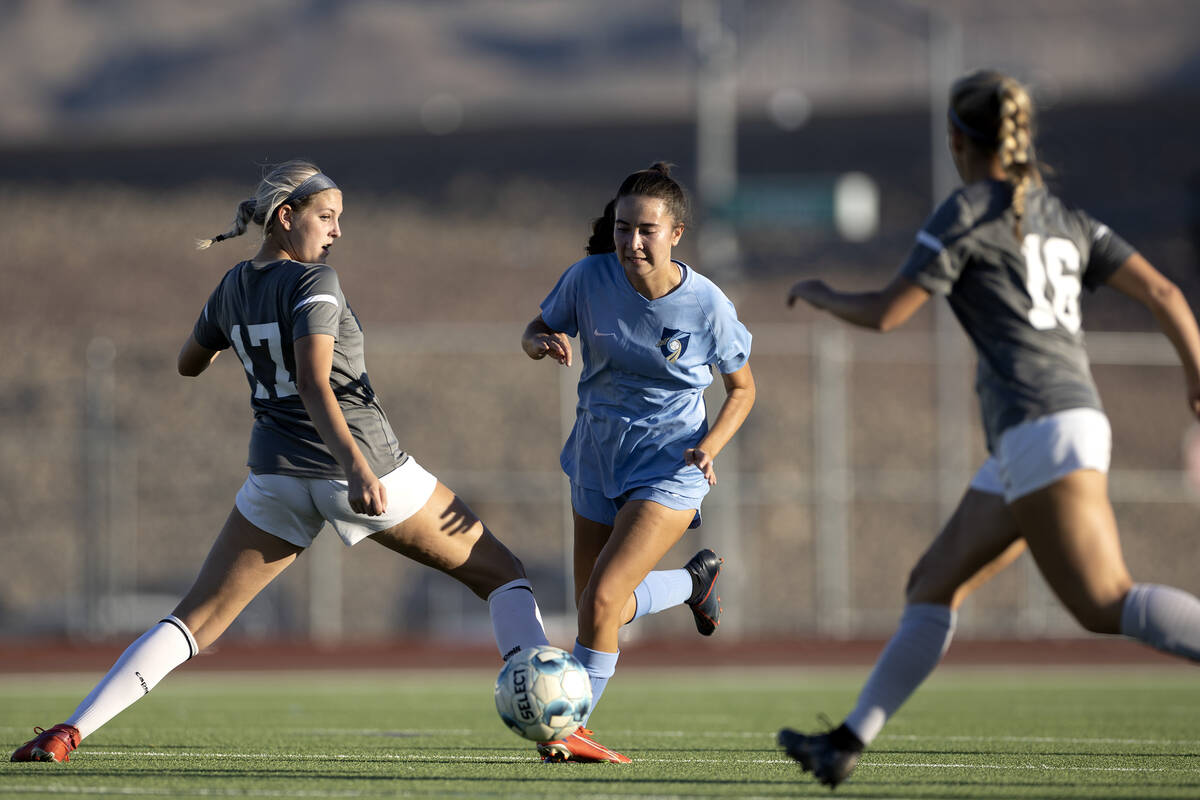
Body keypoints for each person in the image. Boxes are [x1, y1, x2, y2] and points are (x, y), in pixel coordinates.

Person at [11, 160, 551, 763]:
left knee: (194, 621)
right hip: (359, 464)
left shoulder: (233, 284)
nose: (337, 231)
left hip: (275, 476)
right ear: (284, 217)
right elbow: (314, 382)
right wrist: (355, 467)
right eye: (327, 216)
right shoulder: (315, 283)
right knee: (502, 572)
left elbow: (189, 362)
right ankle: (556, 727)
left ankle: (70, 731)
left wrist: (236, 338)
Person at [777, 69, 1200, 789]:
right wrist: (1196, 376)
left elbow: (886, 313)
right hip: (1047, 430)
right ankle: (845, 744)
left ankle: (847, 741)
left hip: (1041, 427)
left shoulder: (966, 211)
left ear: (955, 138)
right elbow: (1163, 290)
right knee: (932, 582)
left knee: (1105, 602)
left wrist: (821, 292)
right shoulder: (1062, 215)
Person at [521, 162, 756, 763]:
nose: (632, 242)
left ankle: (569, 726)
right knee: (597, 607)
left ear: (676, 233)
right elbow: (535, 327)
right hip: (596, 456)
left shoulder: (707, 305)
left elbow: (743, 389)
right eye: (624, 228)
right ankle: (692, 583)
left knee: (602, 601)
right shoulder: (588, 278)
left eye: (646, 230)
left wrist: (710, 446)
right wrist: (539, 341)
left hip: (670, 466)